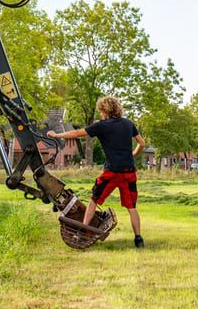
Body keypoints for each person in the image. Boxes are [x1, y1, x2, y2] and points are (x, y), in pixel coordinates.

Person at [47, 96, 146, 248]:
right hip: (129, 172)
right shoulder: (128, 123)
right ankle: (138, 239)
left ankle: (83, 231)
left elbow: (77, 133)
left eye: (101, 111)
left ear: (105, 110)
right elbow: (142, 143)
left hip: (112, 172)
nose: (100, 114)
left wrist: (56, 135)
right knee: (131, 207)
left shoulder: (102, 126)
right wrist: (132, 155)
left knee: (94, 199)